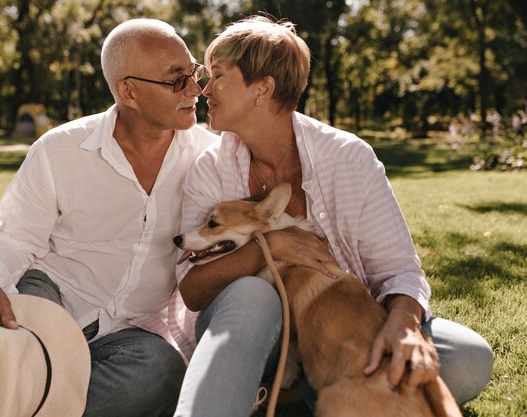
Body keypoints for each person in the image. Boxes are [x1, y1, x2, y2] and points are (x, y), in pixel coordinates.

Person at [172, 16, 493, 417]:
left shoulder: (348, 157)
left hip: (341, 336)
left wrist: (405, 327)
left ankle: (290, 395)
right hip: (253, 335)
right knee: (253, 293)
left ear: (263, 88)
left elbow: (400, 272)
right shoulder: (210, 169)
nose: (204, 89)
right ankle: (247, 394)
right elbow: (192, 289)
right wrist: (266, 247)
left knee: (468, 358)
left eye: (217, 76)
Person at [0, 18, 218, 417]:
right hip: (50, 299)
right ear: (129, 91)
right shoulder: (60, 150)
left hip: (130, 333)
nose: (195, 89)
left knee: (162, 372)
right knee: (17, 336)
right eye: (177, 80)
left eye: (194, 73)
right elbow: (14, 237)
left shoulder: (211, 158)